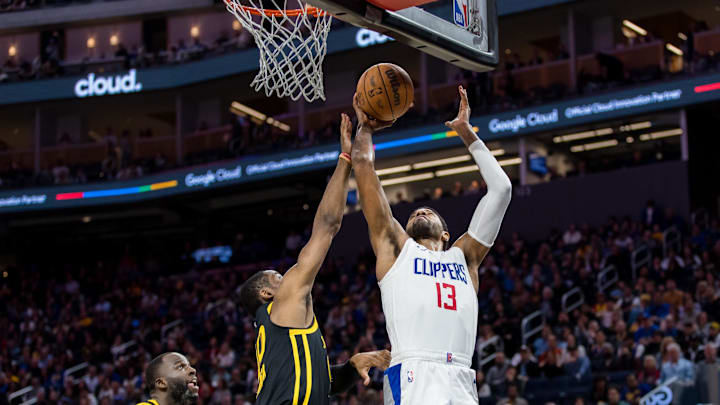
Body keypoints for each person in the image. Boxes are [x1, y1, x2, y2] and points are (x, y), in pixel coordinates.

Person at [351, 85, 512, 405]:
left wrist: (467, 133)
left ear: (446, 235)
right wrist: (365, 129)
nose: (420, 211)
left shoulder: (464, 258)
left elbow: (502, 190)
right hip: (414, 372)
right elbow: (364, 168)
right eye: (413, 214)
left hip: (461, 375)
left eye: (428, 211)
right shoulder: (397, 250)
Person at [237, 114, 391, 405]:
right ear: (267, 293)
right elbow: (327, 226)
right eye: (278, 277)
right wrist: (345, 157)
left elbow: (318, 382)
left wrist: (350, 368)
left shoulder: (279, 337)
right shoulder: (283, 305)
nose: (290, 276)